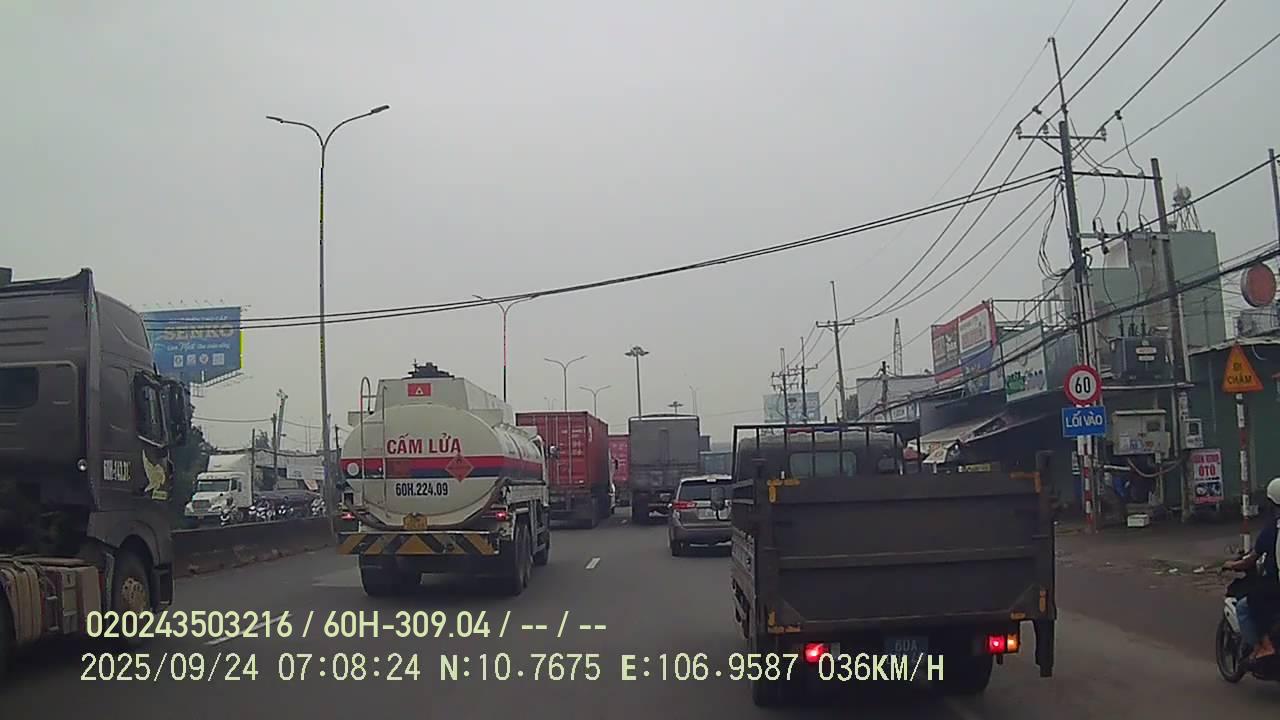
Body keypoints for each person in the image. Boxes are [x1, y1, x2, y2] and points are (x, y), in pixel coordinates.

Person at [1224, 477, 1280, 662]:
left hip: (1276, 584)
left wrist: (1232, 565)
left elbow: (1251, 559)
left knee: (1245, 606)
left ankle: (1263, 646)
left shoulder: (1273, 528)